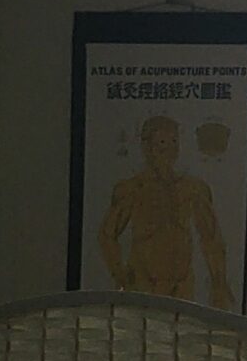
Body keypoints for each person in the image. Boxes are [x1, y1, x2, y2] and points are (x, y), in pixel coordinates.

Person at [97, 114, 235, 308]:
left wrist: (218, 282)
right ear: (147, 146)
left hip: (182, 285)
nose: (168, 148)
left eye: (173, 141)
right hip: (143, 282)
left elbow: (211, 238)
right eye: (162, 142)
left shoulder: (193, 188)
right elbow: (107, 235)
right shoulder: (133, 189)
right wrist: (120, 275)